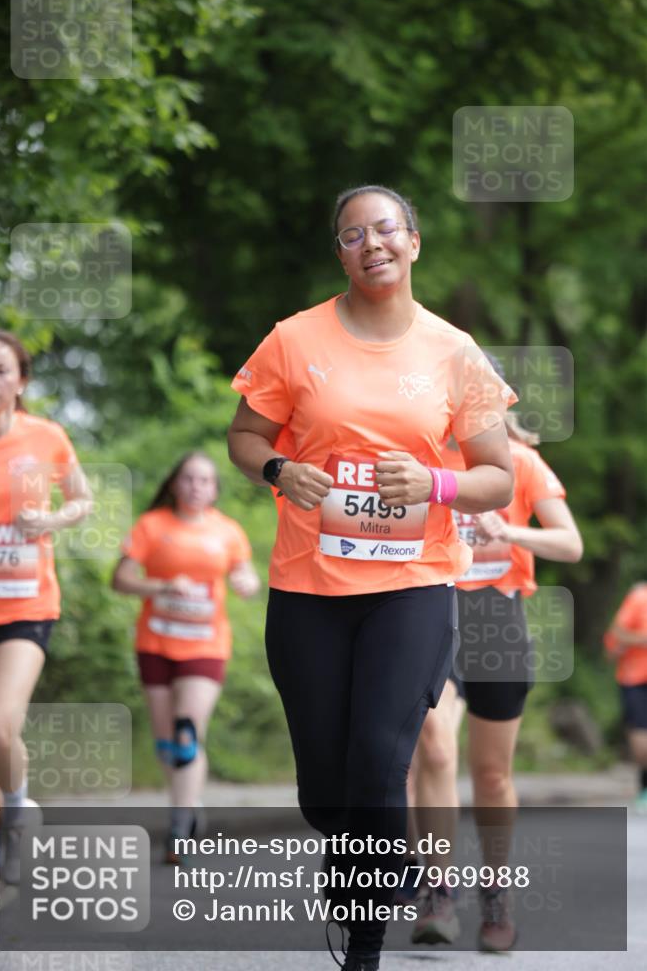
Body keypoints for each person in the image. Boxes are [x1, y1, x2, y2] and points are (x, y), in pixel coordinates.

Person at [227, 184, 518, 971]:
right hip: (307, 590)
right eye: (352, 235)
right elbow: (244, 435)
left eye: (384, 229)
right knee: (326, 791)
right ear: (340, 254)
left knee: (380, 764)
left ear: (413, 242)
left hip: (412, 586)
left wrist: (436, 484)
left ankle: (363, 946)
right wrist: (280, 470)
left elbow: (498, 476)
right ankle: (351, 848)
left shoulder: (456, 352)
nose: (371, 244)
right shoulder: (294, 339)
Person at [409, 403, 583, 952]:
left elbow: (570, 543)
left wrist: (508, 530)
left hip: (497, 621)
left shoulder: (521, 463)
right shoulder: (422, 456)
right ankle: (437, 891)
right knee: (434, 748)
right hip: (434, 611)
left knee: (491, 775)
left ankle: (495, 890)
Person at [0, 329, 92, 913]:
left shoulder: (45, 436)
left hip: (25, 604)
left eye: (0, 369)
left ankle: (19, 805)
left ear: (21, 380)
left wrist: (50, 520)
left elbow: (82, 500)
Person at [112, 452, 259, 860]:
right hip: (156, 643)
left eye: (205, 480)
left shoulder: (227, 531)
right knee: (166, 744)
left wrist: (247, 582)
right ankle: (188, 802)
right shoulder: (152, 526)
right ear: (176, 484)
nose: (196, 486)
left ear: (215, 489)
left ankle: (179, 828)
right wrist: (161, 587)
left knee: (187, 730)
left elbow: (245, 573)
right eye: (189, 479)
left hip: (206, 644)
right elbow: (121, 579)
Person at [604, 582, 647, 813]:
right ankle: (644, 785)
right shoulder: (640, 597)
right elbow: (617, 635)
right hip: (636, 679)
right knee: (640, 741)